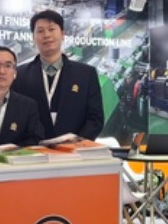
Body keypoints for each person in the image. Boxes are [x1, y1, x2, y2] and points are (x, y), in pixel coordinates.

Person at [13, 9, 104, 140]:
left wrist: (76, 144)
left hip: (75, 150)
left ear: (62, 34)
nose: (46, 35)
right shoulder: (20, 75)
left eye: (51, 29)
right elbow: (15, 117)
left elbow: (95, 119)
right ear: (33, 38)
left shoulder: (86, 74)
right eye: (40, 31)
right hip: (33, 150)